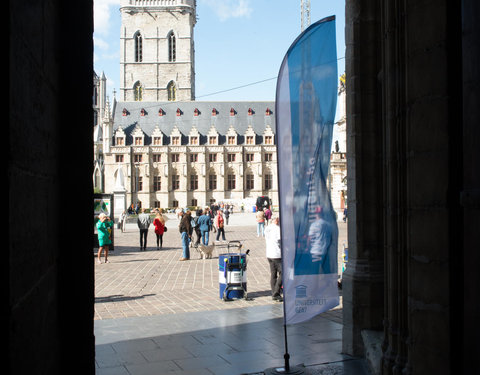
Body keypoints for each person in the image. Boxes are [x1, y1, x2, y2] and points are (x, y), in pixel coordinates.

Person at [265, 215, 282, 301]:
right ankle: (276, 292)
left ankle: (274, 291)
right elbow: (280, 241)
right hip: (276, 254)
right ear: (276, 220)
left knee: (273, 274)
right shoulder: (277, 228)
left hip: (269, 253)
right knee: (283, 272)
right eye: (278, 219)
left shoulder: (267, 228)